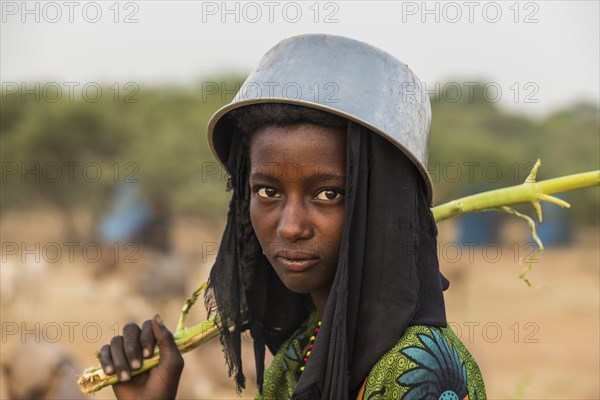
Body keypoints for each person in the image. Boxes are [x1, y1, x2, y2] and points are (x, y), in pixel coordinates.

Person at [98, 34, 487, 399]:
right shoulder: (298, 355)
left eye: (328, 194)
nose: (289, 226)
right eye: (267, 192)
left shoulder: (423, 371)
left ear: (383, 207)